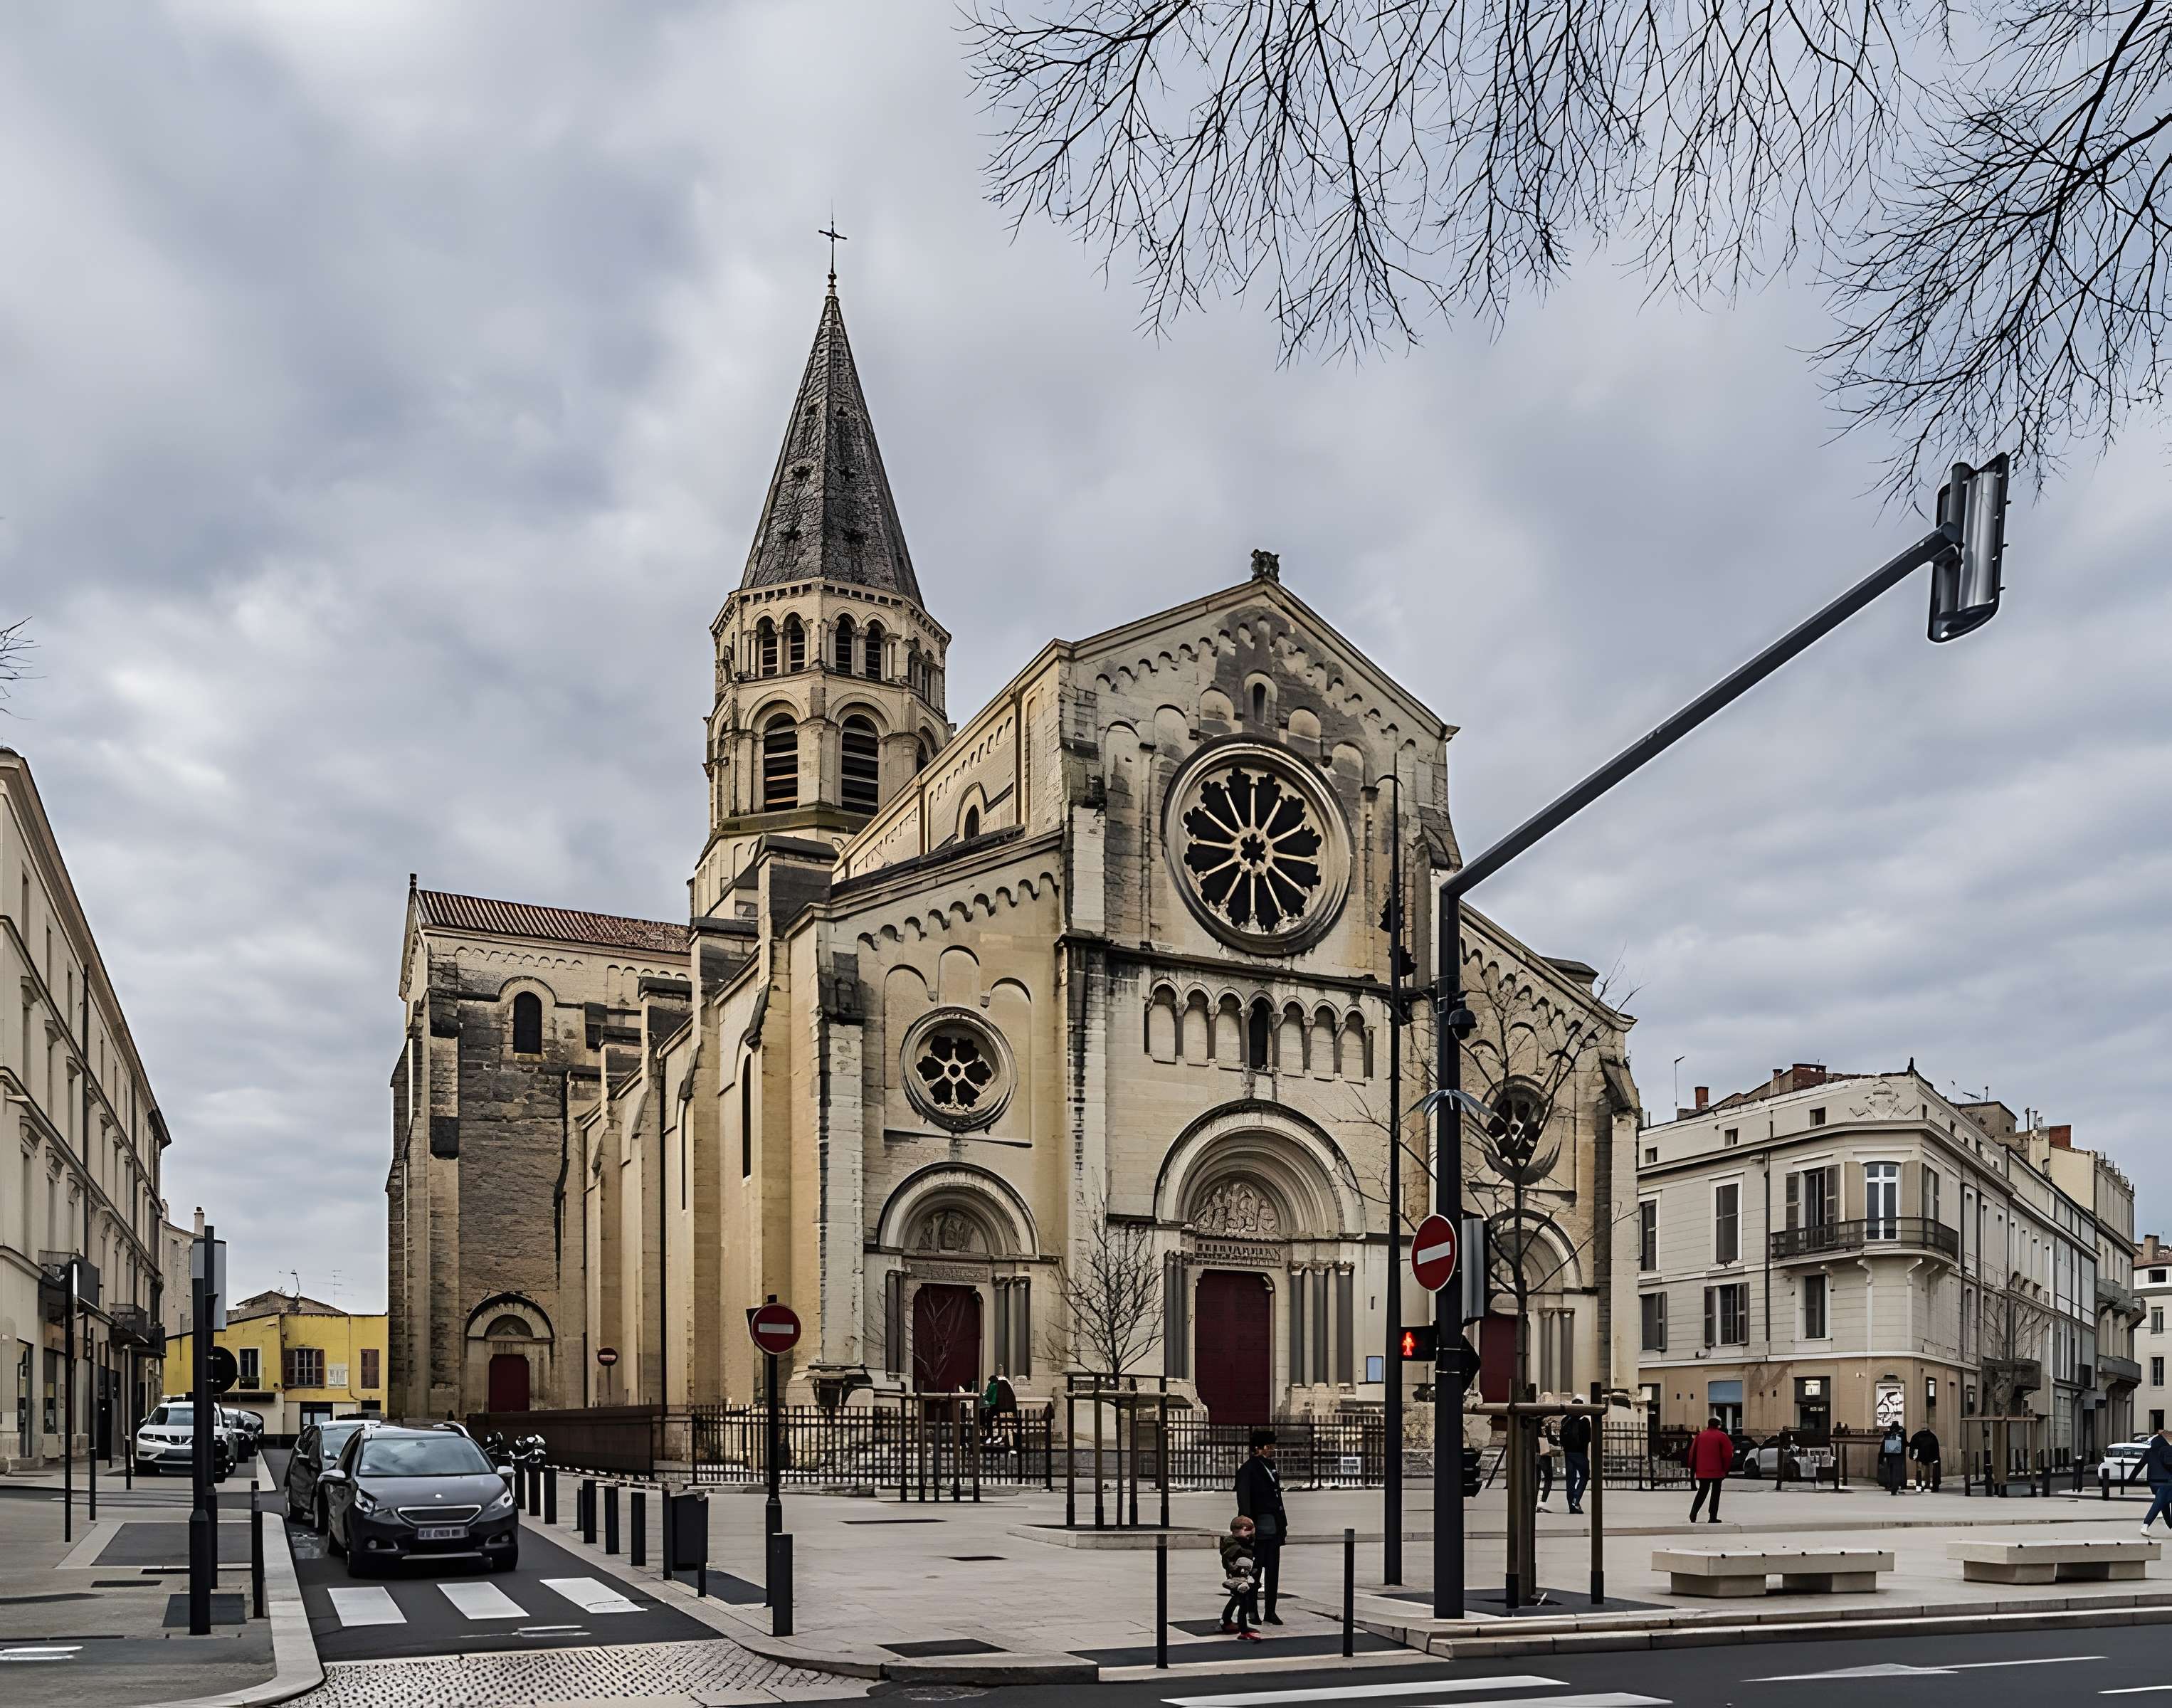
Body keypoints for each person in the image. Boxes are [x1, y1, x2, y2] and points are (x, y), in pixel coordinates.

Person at [1234, 1428, 1287, 1624]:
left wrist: (1283, 1525)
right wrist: (1248, 1528)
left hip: (1273, 1526)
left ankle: (1271, 1611)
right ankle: (1252, 1610)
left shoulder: (1271, 1466)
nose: (1271, 1450)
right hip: (1258, 1528)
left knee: (1273, 1571)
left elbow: (1277, 1497)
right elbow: (1244, 1501)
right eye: (1268, 1447)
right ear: (1257, 1448)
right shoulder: (1248, 1470)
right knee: (1254, 1572)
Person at [1218, 1515, 1265, 1640]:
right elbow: (1228, 1562)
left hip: (1242, 1577)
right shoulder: (1236, 1546)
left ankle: (1226, 1621)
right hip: (1238, 1579)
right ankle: (1243, 1630)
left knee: (1236, 1600)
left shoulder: (1242, 1544)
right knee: (1244, 1603)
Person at [1687, 1416, 1734, 1523]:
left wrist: (1693, 1468)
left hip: (1702, 1471)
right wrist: (1726, 1469)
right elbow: (1727, 1455)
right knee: (1715, 1493)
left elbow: (1692, 1453)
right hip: (1718, 1471)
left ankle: (1693, 1513)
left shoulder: (1700, 1436)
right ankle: (1713, 1516)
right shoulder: (1722, 1436)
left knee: (1702, 1491)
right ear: (1718, 1425)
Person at [1560, 1405, 1593, 1516]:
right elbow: (1589, 1438)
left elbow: (1561, 1437)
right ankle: (1576, 1499)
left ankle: (1572, 1506)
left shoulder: (1565, 1420)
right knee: (1585, 1475)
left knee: (1570, 1480)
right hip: (1580, 1453)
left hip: (1568, 1453)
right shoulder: (1584, 1421)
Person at [2141, 1424, 2172, 1537]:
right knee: (2160, 1502)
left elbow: (2140, 1465)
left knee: (2162, 1502)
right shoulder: (2168, 1450)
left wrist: (2129, 1480)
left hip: (2155, 1482)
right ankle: (2146, 1524)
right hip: (2167, 1481)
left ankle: (2169, 1524)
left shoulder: (2151, 1451)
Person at [1909, 1424, 1942, 1492]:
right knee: (1930, 1470)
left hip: (1920, 1457)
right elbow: (1936, 1448)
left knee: (1919, 1471)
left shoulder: (1916, 1436)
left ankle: (1919, 1486)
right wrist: (1937, 1458)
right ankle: (1930, 1485)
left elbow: (1912, 1447)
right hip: (1931, 1456)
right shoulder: (1932, 1436)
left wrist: (1911, 1456)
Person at [1879, 1420, 1907, 1494]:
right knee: (1897, 1472)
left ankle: (1891, 1485)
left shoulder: (1888, 1435)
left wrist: (1881, 1459)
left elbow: (1883, 1447)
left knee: (1891, 1471)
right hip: (1898, 1456)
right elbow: (1905, 1444)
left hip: (1890, 1456)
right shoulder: (1901, 1435)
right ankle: (1895, 1487)